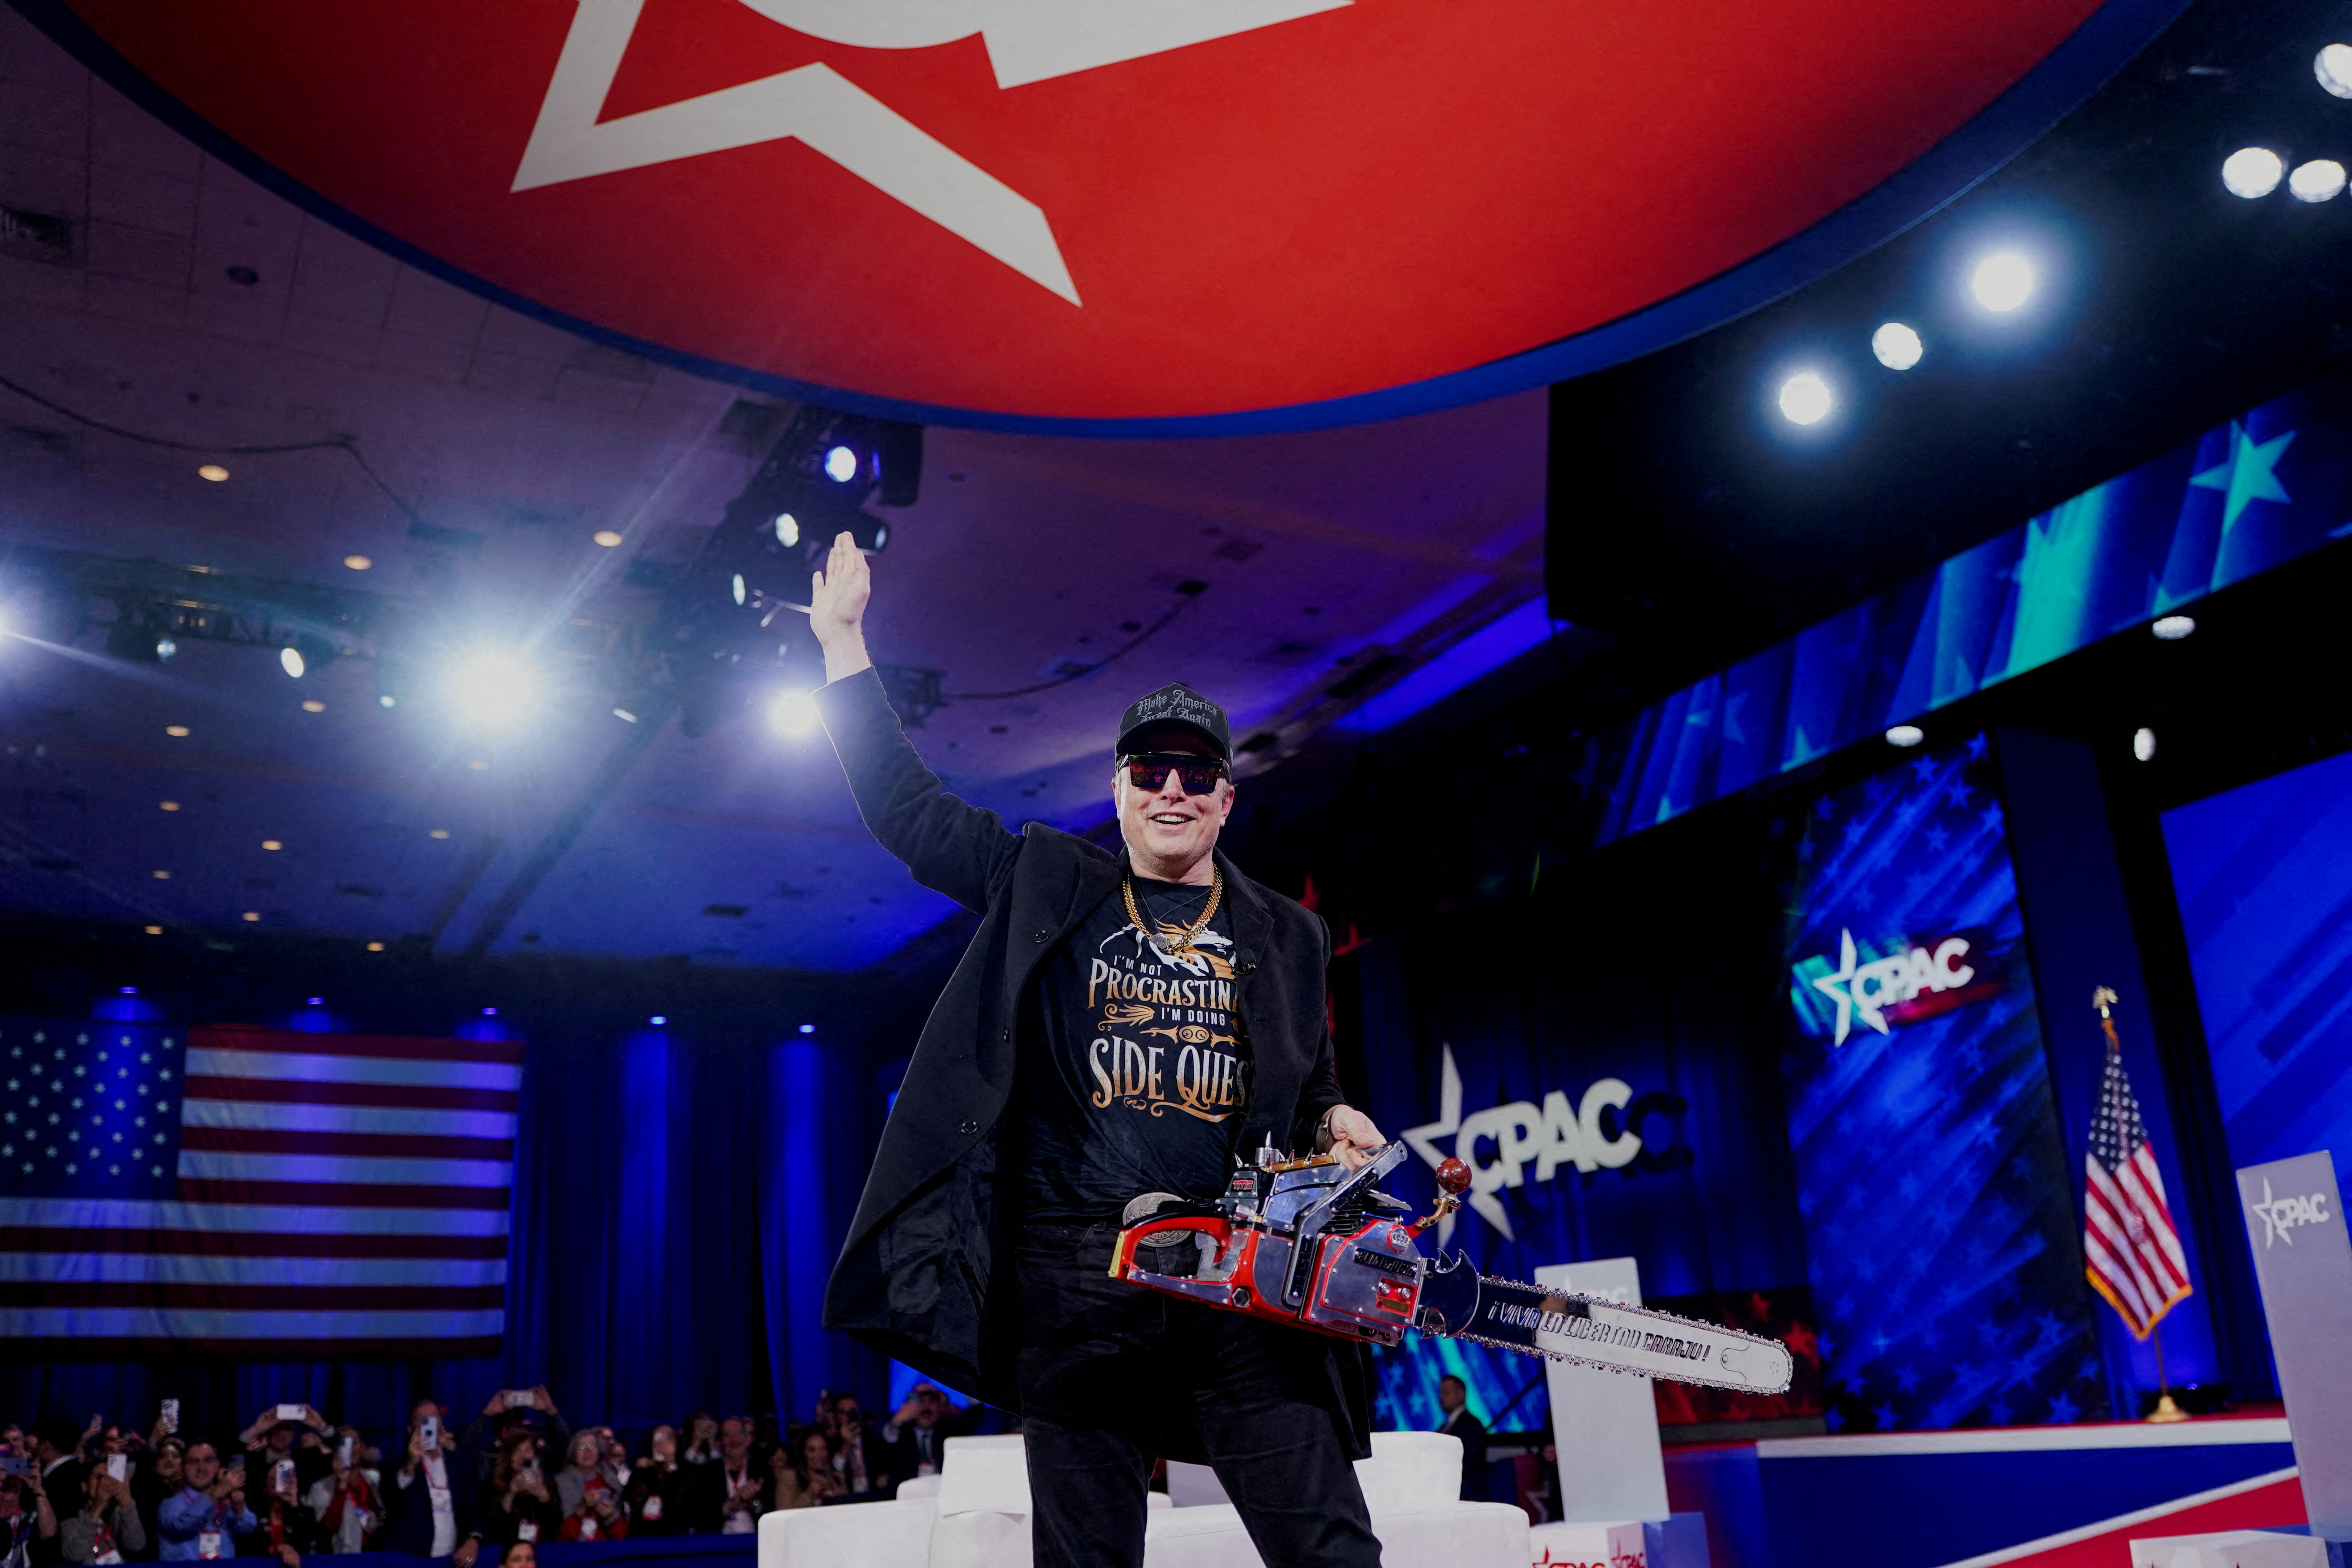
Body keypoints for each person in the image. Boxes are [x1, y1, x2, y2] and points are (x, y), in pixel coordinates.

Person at [808, 532, 1390, 1568]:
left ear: (1225, 795)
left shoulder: (1286, 933)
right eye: (1150, 769)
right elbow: (911, 815)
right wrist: (844, 644)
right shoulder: (1049, 883)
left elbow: (1307, 1081)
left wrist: (1333, 1117)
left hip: (1236, 1276)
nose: (1172, 788)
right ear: (1120, 787)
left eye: (1195, 772)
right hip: (1075, 1276)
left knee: (1334, 1550)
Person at [382, 1401, 481, 1567]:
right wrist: (410, 1466)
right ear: (411, 1429)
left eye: (435, 1419)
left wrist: (474, 1538)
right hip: (410, 1560)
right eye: (424, 1420)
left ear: (442, 1425)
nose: (431, 1425)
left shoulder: (460, 1463)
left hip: (451, 1560)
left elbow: (473, 1508)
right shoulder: (395, 1464)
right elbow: (392, 1503)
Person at [155, 1442, 256, 1561]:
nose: (201, 1468)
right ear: (183, 1467)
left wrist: (238, 1508)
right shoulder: (169, 1505)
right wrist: (216, 1493)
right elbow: (181, 1525)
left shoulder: (226, 1500)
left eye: (208, 1460)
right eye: (193, 1462)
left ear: (218, 1465)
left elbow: (248, 1528)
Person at [476, 1432, 558, 1550]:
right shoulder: (493, 1484)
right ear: (508, 1457)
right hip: (506, 1551)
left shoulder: (548, 1484)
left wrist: (543, 1495)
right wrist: (511, 1492)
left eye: (528, 1451)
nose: (523, 1457)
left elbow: (556, 1525)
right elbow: (492, 1528)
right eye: (517, 1452)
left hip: (541, 1550)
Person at [303, 1432, 380, 1556]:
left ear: (362, 1447)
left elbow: (382, 1521)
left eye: (353, 1443)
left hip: (371, 1557)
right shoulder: (321, 1487)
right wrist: (341, 1486)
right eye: (343, 1443)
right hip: (336, 1559)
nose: (349, 1449)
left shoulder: (373, 1480)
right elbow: (325, 1530)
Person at [686, 1420, 763, 1535]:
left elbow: (770, 1512)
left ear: (748, 1439)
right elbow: (699, 1518)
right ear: (719, 1443)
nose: (734, 1440)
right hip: (719, 1544)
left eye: (738, 1434)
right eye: (728, 1435)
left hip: (756, 1541)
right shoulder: (706, 1473)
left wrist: (753, 1502)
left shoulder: (762, 1470)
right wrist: (729, 1507)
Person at [878, 1385, 957, 1483]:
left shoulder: (947, 1432)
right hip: (909, 1492)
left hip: (941, 1490)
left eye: (932, 1402)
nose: (927, 1409)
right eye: (921, 1402)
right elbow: (884, 1444)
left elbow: (975, 1415)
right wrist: (897, 1421)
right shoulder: (902, 1435)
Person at [619, 1429, 683, 1536]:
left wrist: (670, 1466)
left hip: (676, 1537)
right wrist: (645, 1471)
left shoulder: (687, 1472)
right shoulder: (642, 1473)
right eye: (658, 1438)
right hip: (644, 1536)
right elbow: (633, 1500)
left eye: (668, 1438)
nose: (663, 1443)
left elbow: (683, 1505)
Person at [1433, 1377, 1488, 1501]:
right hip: (1447, 1494)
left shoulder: (1472, 1425)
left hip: (1466, 1496)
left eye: (1446, 1393)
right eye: (1440, 1393)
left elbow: (1468, 1462)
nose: (1442, 1397)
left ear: (1461, 1394)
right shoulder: (1443, 1427)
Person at [767, 1433, 839, 1511]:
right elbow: (783, 1514)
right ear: (803, 1453)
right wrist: (810, 1494)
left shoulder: (838, 1478)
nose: (819, 1455)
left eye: (823, 1449)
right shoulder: (789, 1479)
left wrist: (836, 1495)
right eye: (812, 1450)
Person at [1, 1470, 57, 1568]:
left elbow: (49, 1533)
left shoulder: (30, 1516)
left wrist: (38, 1490)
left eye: (14, 1478)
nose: (10, 1482)